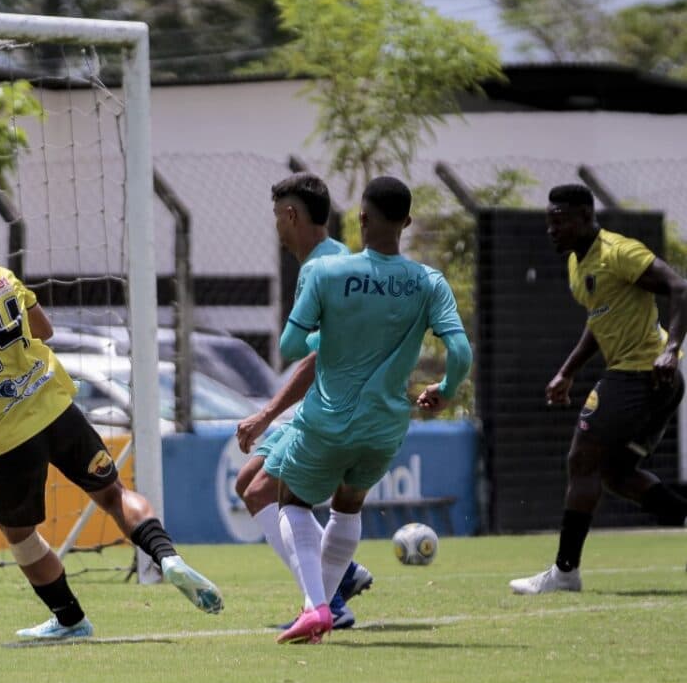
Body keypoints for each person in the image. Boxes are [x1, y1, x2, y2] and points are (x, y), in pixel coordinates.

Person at [0, 206, 223, 640]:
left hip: (8, 436)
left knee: (20, 534)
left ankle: (70, 618)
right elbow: (44, 329)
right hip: (58, 408)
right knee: (114, 495)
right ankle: (165, 556)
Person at [267, 176, 472, 643]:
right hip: (384, 426)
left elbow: (291, 344)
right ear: (408, 222)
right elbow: (460, 352)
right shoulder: (427, 282)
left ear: (360, 217)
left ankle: (317, 607)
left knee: (293, 502)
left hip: (328, 418)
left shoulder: (327, 272)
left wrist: (329, 334)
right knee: (348, 503)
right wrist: (445, 388)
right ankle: (324, 609)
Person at [509, 184, 687, 595]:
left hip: (641, 374)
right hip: (651, 380)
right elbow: (600, 319)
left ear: (586, 218)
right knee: (617, 475)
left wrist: (672, 350)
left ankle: (564, 573)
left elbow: (680, 288)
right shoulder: (578, 264)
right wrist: (568, 371)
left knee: (581, 460)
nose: (553, 231)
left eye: (561, 222)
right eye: (549, 223)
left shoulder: (618, 252)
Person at [232, 173, 373, 630]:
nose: (275, 226)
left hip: (332, 407)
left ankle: (331, 600)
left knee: (260, 492)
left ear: (291, 215)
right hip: (326, 401)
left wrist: (267, 413)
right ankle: (344, 576)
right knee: (248, 483)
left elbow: (314, 354)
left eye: (277, 216)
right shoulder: (332, 259)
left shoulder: (320, 269)